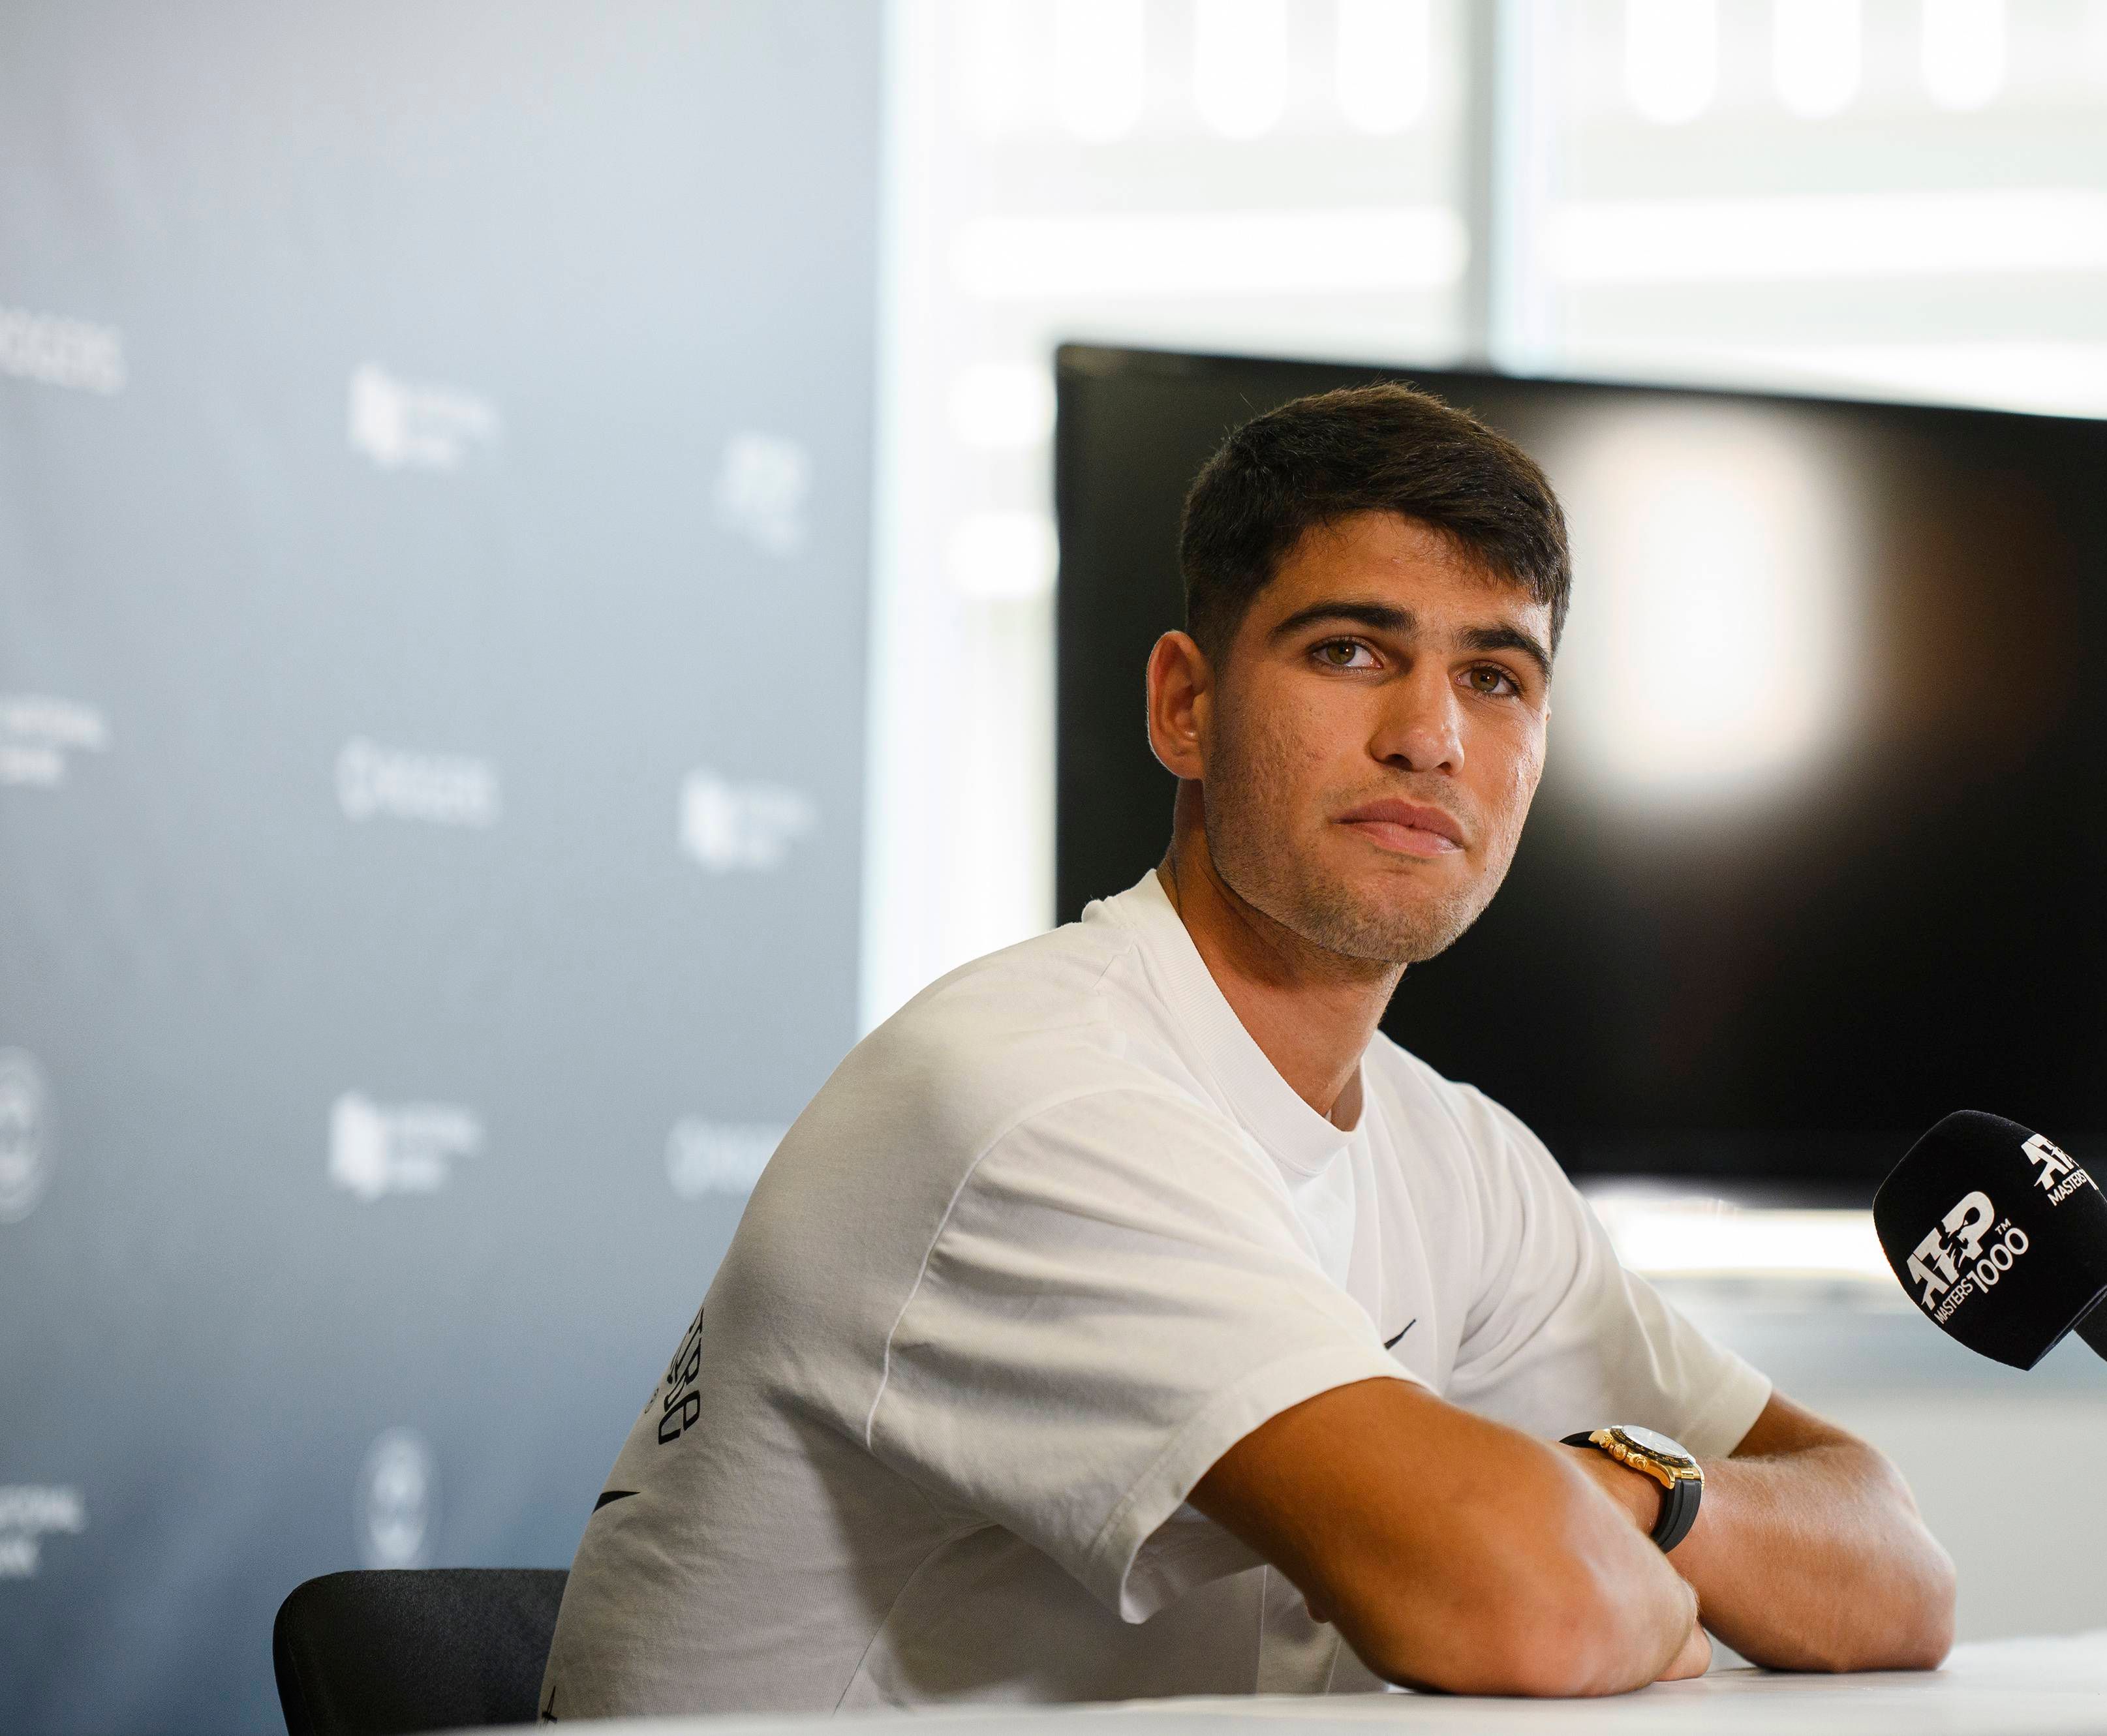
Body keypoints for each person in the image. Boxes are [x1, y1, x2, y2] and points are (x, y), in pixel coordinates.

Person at [538, 384, 1956, 1718]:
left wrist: (1635, 1490)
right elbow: (1521, 1607)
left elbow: (1891, 1565)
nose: (1429, 736)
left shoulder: (1453, 1154)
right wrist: (1602, 1550)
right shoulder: (1034, 1098)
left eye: (1494, 676)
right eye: (1351, 651)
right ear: (1183, 706)